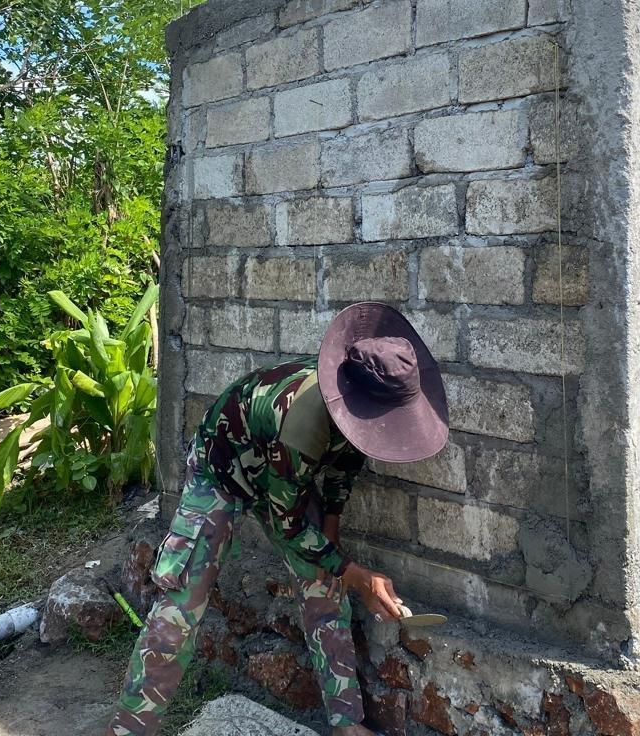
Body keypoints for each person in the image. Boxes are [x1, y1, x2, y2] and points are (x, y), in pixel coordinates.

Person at [106, 301, 450, 736]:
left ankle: (347, 724)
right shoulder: (302, 421)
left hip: (284, 479)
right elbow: (289, 525)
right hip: (222, 471)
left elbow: (341, 476)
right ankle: (127, 730)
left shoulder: (365, 412)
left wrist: (332, 556)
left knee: (326, 588)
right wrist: (354, 572)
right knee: (180, 608)